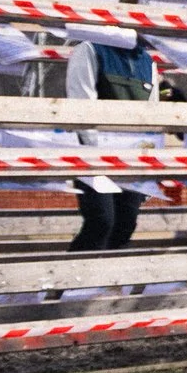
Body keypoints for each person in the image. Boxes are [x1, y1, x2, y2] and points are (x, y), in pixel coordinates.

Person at [66, 34, 159, 251]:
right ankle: (74, 271)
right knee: (101, 221)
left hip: (131, 159)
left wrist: (147, 168)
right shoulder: (89, 49)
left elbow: (152, 115)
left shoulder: (147, 62)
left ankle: (108, 271)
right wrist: (99, 158)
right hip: (94, 157)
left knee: (126, 223)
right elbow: (81, 105)